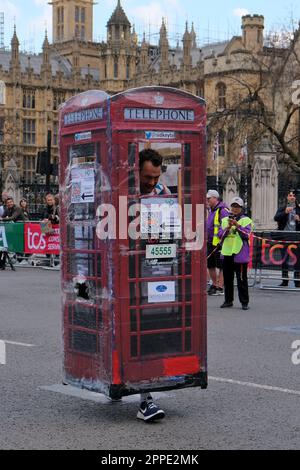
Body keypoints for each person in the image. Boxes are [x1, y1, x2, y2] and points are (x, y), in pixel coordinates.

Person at [136, 148, 167, 422]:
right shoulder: (121, 192)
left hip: (150, 272)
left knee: (148, 335)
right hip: (123, 270)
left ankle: (146, 399)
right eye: (147, 176)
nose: (152, 182)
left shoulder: (162, 194)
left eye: (156, 177)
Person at [220, 197, 253, 311]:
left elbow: (246, 235)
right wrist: (228, 227)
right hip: (227, 252)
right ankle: (228, 301)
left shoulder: (246, 220)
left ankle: (244, 302)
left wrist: (237, 225)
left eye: (237, 206)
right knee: (228, 279)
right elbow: (220, 236)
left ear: (241, 208)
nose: (234, 208)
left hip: (240, 253)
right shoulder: (224, 220)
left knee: (242, 279)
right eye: (233, 206)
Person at [274, 189, 300, 287]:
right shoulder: (282, 208)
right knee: (284, 259)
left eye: (293, 195)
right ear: (287, 197)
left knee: (297, 260)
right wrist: (285, 212)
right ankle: (285, 280)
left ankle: (297, 281)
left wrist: (299, 219)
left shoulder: (298, 209)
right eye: (290, 195)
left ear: (295, 198)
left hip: (296, 238)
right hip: (284, 237)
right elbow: (276, 218)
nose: (292, 197)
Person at [206, 189, 230, 295]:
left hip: (219, 242)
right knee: (210, 264)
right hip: (210, 241)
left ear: (215, 198)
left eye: (209, 199)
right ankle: (215, 284)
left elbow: (226, 226)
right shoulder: (211, 210)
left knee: (221, 266)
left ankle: (220, 287)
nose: (207, 201)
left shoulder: (222, 210)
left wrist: (222, 239)